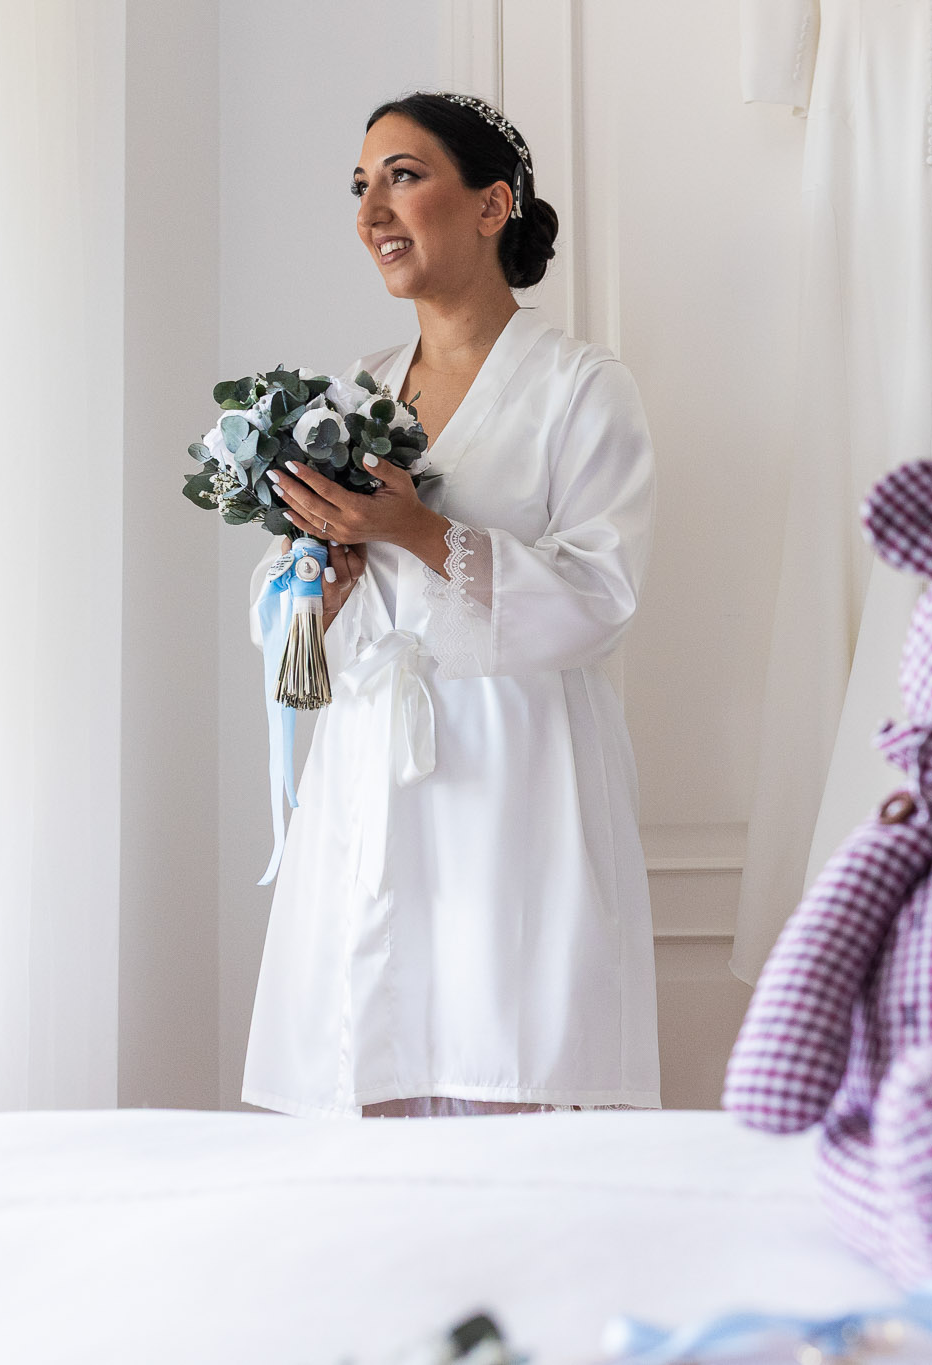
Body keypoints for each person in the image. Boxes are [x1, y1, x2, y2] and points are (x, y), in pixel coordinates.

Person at [241, 91, 659, 1118]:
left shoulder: (579, 388)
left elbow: (602, 596)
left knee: (503, 1062)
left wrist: (420, 532)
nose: (370, 212)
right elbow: (287, 610)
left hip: (514, 778)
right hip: (365, 771)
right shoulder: (354, 393)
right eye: (359, 186)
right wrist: (320, 589)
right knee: (365, 1069)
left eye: (403, 175)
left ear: (491, 204)